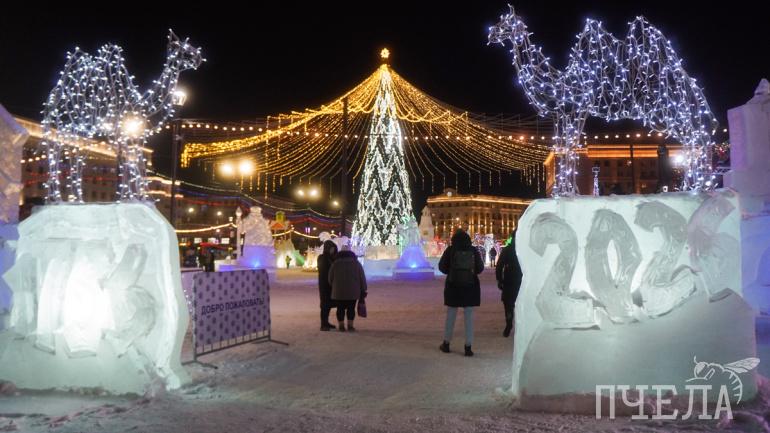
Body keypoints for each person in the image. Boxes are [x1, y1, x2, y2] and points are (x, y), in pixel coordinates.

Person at [438, 229, 484, 356]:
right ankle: (468, 347)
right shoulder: (473, 250)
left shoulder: (450, 250)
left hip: (453, 287)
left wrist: (452, 272)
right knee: (469, 318)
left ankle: (446, 343)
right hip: (470, 288)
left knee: (451, 316)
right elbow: (480, 268)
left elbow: (441, 267)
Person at [328, 245, 367, 332]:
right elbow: (362, 277)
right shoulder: (356, 263)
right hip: (353, 291)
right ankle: (350, 325)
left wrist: (334, 286)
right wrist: (363, 288)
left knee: (340, 309)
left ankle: (341, 325)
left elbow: (330, 278)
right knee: (351, 309)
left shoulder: (335, 264)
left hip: (338, 291)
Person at [495, 230, 522, 338]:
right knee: (522, 305)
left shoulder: (508, 249)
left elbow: (499, 266)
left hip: (509, 280)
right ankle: (522, 326)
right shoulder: (525, 249)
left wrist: (500, 280)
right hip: (523, 281)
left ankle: (509, 324)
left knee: (508, 305)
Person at [317, 240, 338, 331]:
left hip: (331, 284)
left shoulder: (332, 258)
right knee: (325, 304)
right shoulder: (322, 258)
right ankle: (323, 324)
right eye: (332, 248)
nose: (333, 250)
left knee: (328, 304)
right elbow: (325, 270)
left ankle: (326, 322)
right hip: (325, 284)